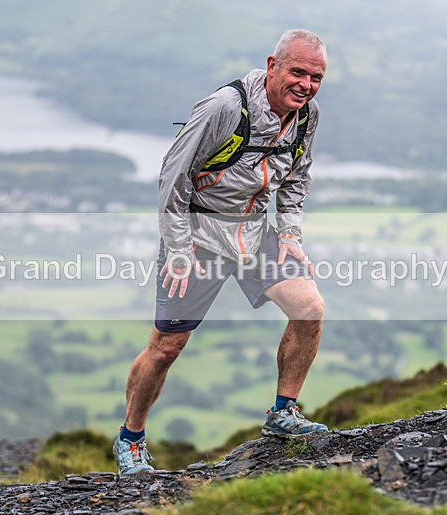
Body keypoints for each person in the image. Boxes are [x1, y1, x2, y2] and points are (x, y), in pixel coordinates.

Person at [114, 29, 329, 476]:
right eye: (297, 72)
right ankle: (131, 439)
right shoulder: (225, 108)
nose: (306, 85)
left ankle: (283, 414)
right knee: (167, 346)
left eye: (316, 77)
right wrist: (176, 248)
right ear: (272, 65)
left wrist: (288, 233)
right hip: (198, 232)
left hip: (253, 230)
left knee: (309, 308)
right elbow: (172, 177)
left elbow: (297, 177)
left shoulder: (306, 116)